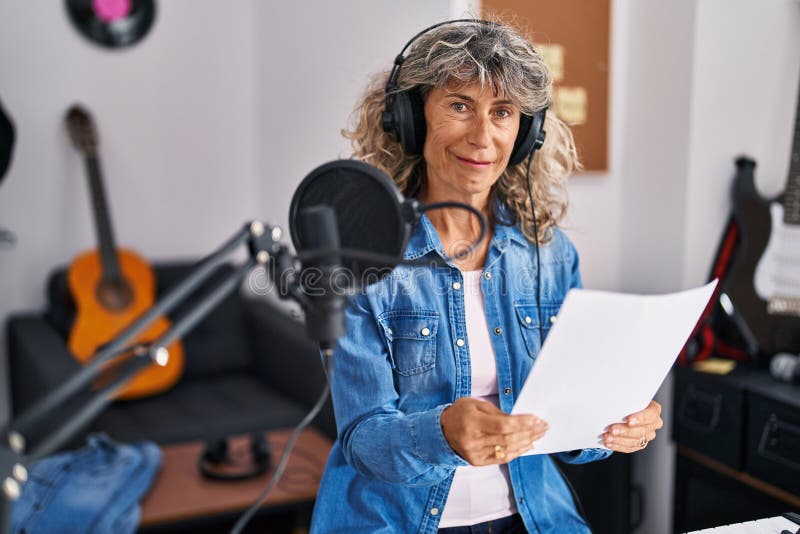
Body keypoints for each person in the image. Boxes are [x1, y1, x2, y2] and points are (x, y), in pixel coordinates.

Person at [310, 19, 663, 533]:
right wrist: (442, 434)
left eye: (502, 113)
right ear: (409, 118)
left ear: (526, 134)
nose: (482, 137)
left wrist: (612, 426)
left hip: (533, 518)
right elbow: (363, 440)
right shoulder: (361, 260)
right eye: (459, 105)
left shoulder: (549, 254)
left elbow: (574, 424)